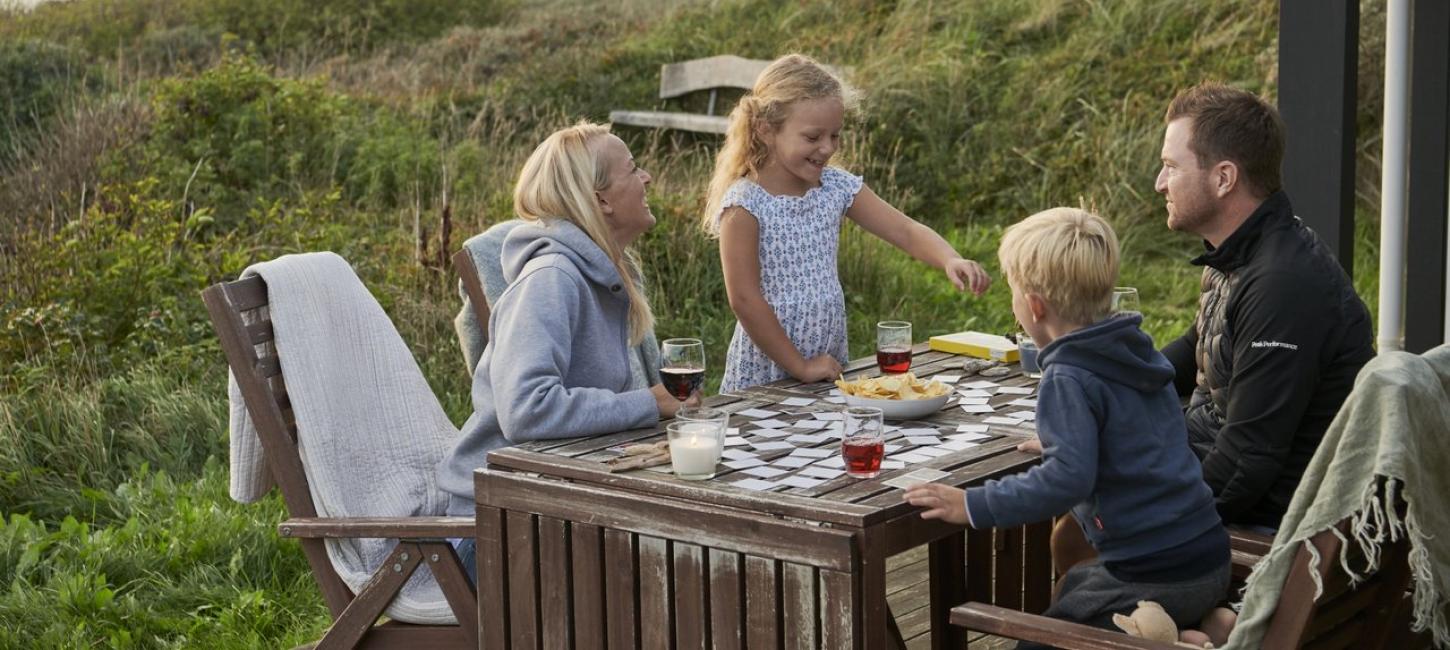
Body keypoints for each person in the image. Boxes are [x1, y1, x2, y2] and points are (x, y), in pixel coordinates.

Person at [904, 208, 1230, 645]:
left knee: (1039, 642)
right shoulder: (1133, 349)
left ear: (1035, 306)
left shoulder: (1067, 376)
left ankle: (1166, 638)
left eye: (1014, 294)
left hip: (1153, 572)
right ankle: (1190, 630)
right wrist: (1076, 441)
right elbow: (1145, 429)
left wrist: (973, 506)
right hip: (1207, 557)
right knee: (1077, 587)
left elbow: (1067, 481)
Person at [437, 122, 699, 581]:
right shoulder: (552, 279)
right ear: (600, 200)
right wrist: (647, 404)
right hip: (491, 531)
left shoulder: (605, 273)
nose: (647, 179)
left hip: (545, 509)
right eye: (633, 169)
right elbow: (526, 411)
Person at [1153, 82, 1375, 530]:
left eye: (1170, 167)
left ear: (1223, 178)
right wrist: (1106, 390)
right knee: (1080, 505)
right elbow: (1196, 346)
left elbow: (1247, 460)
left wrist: (1156, 523)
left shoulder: (1282, 285)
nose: (1160, 183)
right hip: (1216, 473)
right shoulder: (1237, 252)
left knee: (1087, 517)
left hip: (1274, 525)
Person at [703, 53, 992, 392]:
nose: (827, 148)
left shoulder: (834, 186)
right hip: (768, 370)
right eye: (813, 137)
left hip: (827, 363)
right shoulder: (745, 203)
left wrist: (949, 258)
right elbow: (745, 299)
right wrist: (800, 365)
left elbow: (904, 230)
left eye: (835, 136)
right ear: (766, 130)